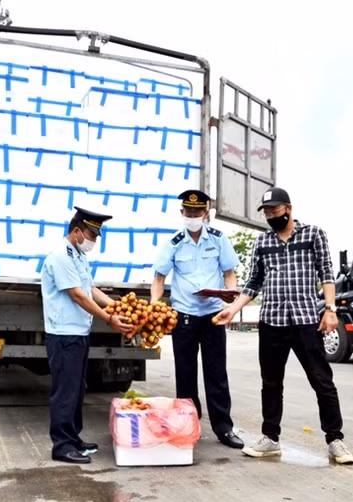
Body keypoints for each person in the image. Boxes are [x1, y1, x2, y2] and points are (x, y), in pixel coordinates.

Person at [213, 187, 353, 464]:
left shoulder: (313, 234)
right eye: (266, 212)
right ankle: (270, 438)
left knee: (322, 380)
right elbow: (253, 282)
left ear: (288, 209)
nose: (270, 216)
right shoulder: (262, 242)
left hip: (305, 320)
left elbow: (326, 273)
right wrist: (232, 310)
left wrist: (330, 309)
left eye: (274, 211)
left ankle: (335, 440)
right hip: (272, 321)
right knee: (271, 382)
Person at [150, 189, 244, 449]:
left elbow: (229, 273)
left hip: (213, 315)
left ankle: (224, 428)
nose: (193, 216)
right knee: (186, 374)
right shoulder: (174, 242)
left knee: (216, 373)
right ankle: (188, 425)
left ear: (206, 213)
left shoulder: (218, 239)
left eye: (197, 212)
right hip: (184, 316)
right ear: (182, 213)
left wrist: (230, 296)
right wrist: (154, 306)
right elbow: (159, 278)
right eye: (188, 212)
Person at [41, 206, 135, 464]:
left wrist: (116, 306)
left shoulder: (78, 257)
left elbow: (90, 289)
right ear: (76, 231)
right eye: (91, 235)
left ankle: (74, 438)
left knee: (77, 389)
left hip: (78, 333)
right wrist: (108, 319)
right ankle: (61, 446)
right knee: (65, 391)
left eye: (95, 235)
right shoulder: (60, 256)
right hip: (63, 334)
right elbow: (77, 295)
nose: (93, 240)